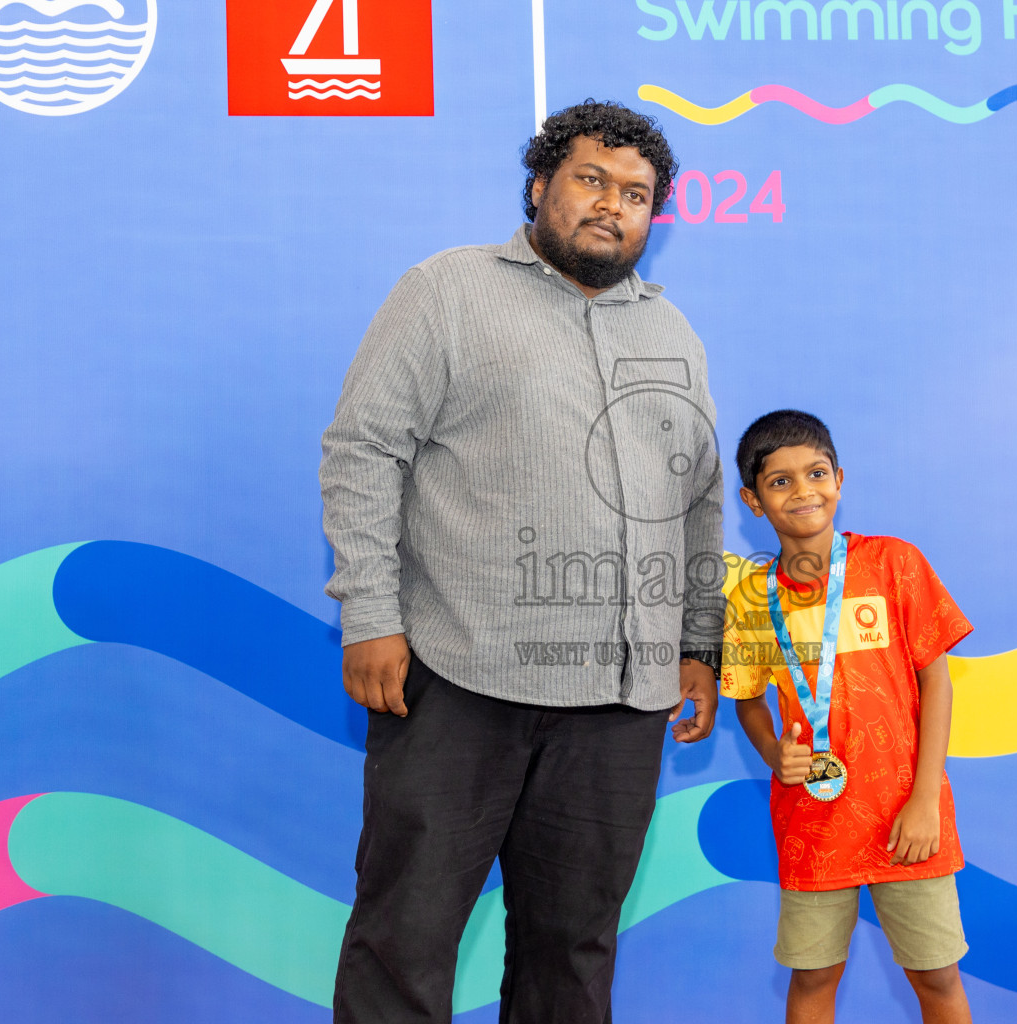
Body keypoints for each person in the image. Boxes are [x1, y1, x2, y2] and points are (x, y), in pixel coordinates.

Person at [319, 101, 725, 1024]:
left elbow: (697, 499)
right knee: (405, 940)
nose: (611, 206)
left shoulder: (675, 334)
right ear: (540, 185)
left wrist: (697, 639)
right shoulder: (446, 292)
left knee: (573, 952)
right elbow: (363, 453)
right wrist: (371, 614)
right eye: (591, 180)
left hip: (621, 703)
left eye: (635, 194)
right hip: (459, 680)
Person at [722, 410, 974, 1024]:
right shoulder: (751, 599)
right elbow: (748, 700)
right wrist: (771, 753)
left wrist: (924, 802)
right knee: (813, 976)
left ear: (840, 478)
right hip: (814, 819)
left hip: (906, 814)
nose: (803, 490)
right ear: (752, 501)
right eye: (779, 482)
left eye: (815, 473)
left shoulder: (895, 564)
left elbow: (935, 681)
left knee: (937, 974)